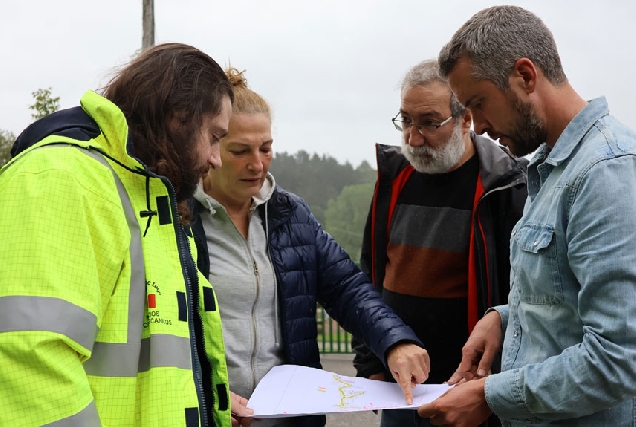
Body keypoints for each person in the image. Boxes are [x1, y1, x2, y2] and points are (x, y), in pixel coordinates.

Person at [417, 5, 636, 427]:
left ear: (525, 76)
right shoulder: (550, 166)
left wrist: (490, 395)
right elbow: (565, 297)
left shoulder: (606, 172)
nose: (476, 126)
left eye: (478, 103)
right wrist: (505, 317)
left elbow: (620, 357)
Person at [0, 43, 235, 426]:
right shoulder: (60, 178)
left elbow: (155, 368)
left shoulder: (151, 201)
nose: (216, 159)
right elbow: (28, 365)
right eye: (215, 136)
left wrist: (203, 400)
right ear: (179, 116)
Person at [190, 68, 431, 427]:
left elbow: (348, 288)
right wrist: (210, 400)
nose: (257, 164)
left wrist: (395, 342)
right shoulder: (179, 220)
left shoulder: (291, 215)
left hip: (290, 419)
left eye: (266, 148)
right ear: (210, 146)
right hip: (213, 416)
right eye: (240, 151)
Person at [351, 59, 527, 427]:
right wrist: (371, 362)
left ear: (466, 120)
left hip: (472, 395)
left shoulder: (507, 187)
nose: (414, 138)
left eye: (430, 123)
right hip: (399, 391)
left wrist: (491, 385)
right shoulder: (393, 178)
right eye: (406, 121)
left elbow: (524, 294)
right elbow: (369, 278)